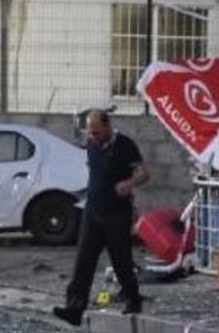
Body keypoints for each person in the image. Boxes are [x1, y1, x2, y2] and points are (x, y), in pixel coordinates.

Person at [53, 109, 150, 327]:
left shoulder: (125, 145)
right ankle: (74, 309)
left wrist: (129, 184)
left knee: (121, 260)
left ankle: (133, 300)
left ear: (107, 126)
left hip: (117, 213)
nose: (93, 136)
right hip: (93, 211)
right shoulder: (92, 145)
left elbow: (143, 173)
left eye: (97, 132)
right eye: (91, 132)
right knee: (83, 262)